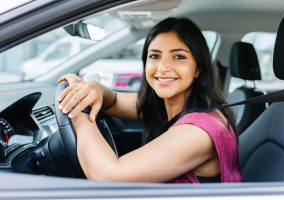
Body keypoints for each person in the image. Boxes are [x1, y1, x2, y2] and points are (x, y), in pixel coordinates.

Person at [57, 17, 242, 183]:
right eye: (154, 56)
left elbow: (108, 176)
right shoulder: (165, 106)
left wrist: (76, 110)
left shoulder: (198, 131)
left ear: (198, 69)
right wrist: (93, 88)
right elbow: (112, 101)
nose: (162, 68)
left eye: (178, 57)